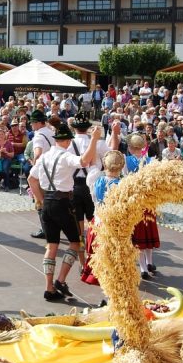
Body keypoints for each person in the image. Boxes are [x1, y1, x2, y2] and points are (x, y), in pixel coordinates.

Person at [27, 123, 101, 301]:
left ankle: (49, 288)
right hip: (63, 203)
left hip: (47, 204)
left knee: (51, 246)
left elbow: (31, 179)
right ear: (67, 141)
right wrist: (94, 140)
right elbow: (84, 161)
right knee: (75, 243)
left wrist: (41, 200)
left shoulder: (44, 157)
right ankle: (60, 280)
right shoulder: (66, 156)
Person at [69, 113, 109, 270]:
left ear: (74, 128)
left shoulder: (68, 144)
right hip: (92, 186)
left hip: (74, 186)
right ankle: (96, 261)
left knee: (78, 228)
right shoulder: (98, 144)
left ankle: (82, 263)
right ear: (88, 128)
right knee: (95, 225)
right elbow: (111, 157)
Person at [81, 150, 126, 288]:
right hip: (113, 224)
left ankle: (99, 278)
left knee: (98, 254)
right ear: (120, 167)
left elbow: (93, 165)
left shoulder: (95, 179)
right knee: (112, 256)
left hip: (98, 221)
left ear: (105, 165)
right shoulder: (123, 185)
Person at [123, 134, 161, 280]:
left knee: (139, 235)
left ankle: (143, 268)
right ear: (143, 147)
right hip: (149, 200)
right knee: (149, 230)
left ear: (131, 148)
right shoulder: (151, 161)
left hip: (135, 200)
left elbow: (125, 178)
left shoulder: (127, 161)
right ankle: (150, 262)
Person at [29, 109, 55, 239]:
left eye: (33, 123)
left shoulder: (38, 136)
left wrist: (34, 166)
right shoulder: (51, 132)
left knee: (40, 201)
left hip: (43, 172)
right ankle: (55, 226)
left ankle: (45, 229)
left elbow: (38, 153)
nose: (31, 125)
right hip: (55, 171)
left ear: (39, 123)